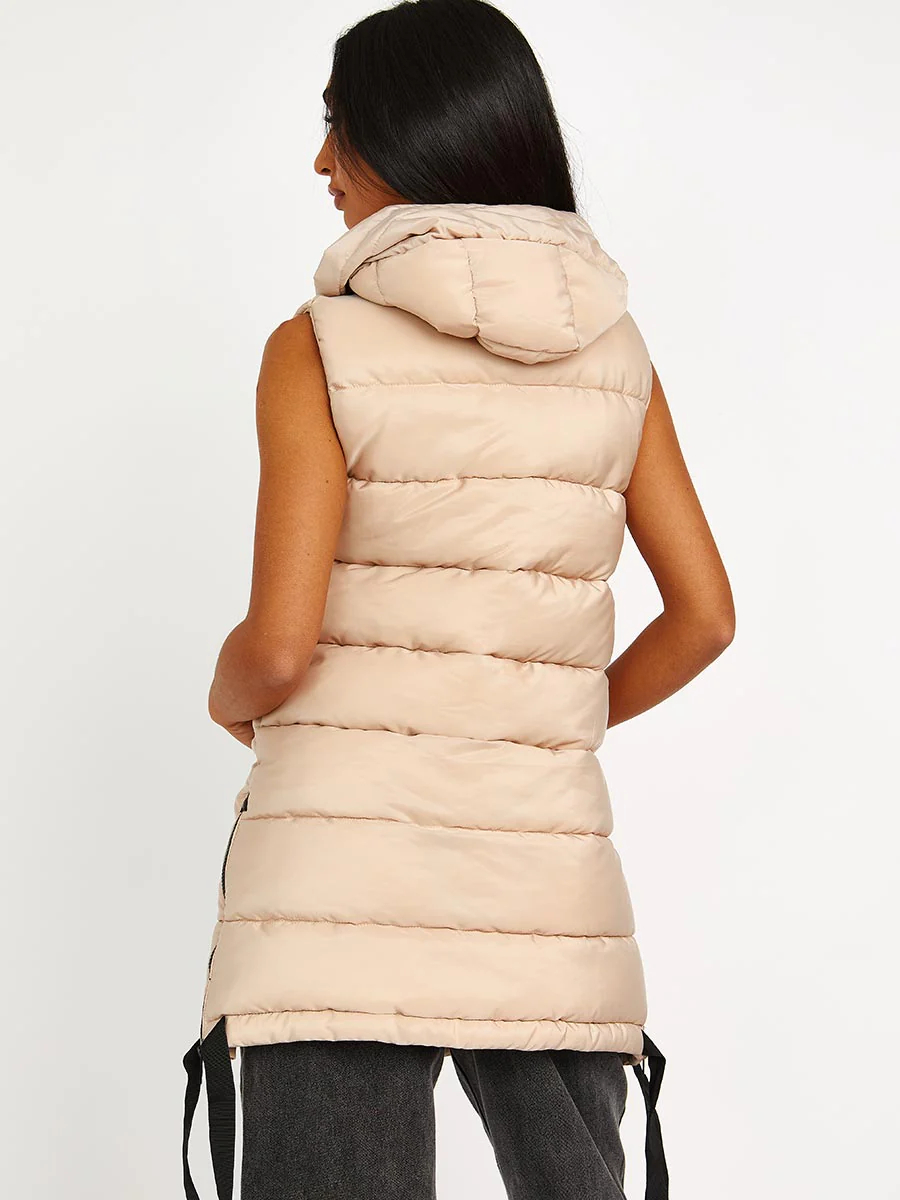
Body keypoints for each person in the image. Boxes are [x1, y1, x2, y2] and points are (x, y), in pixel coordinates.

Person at [182, 2, 735, 1197]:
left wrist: (226, 698)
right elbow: (704, 617)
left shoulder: (319, 347)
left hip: (335, 889)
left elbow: (277, 651)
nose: (320, 162)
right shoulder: (616, 356)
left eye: (338, 127)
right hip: (543, 887)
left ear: (412, 132)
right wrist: (537, 722)